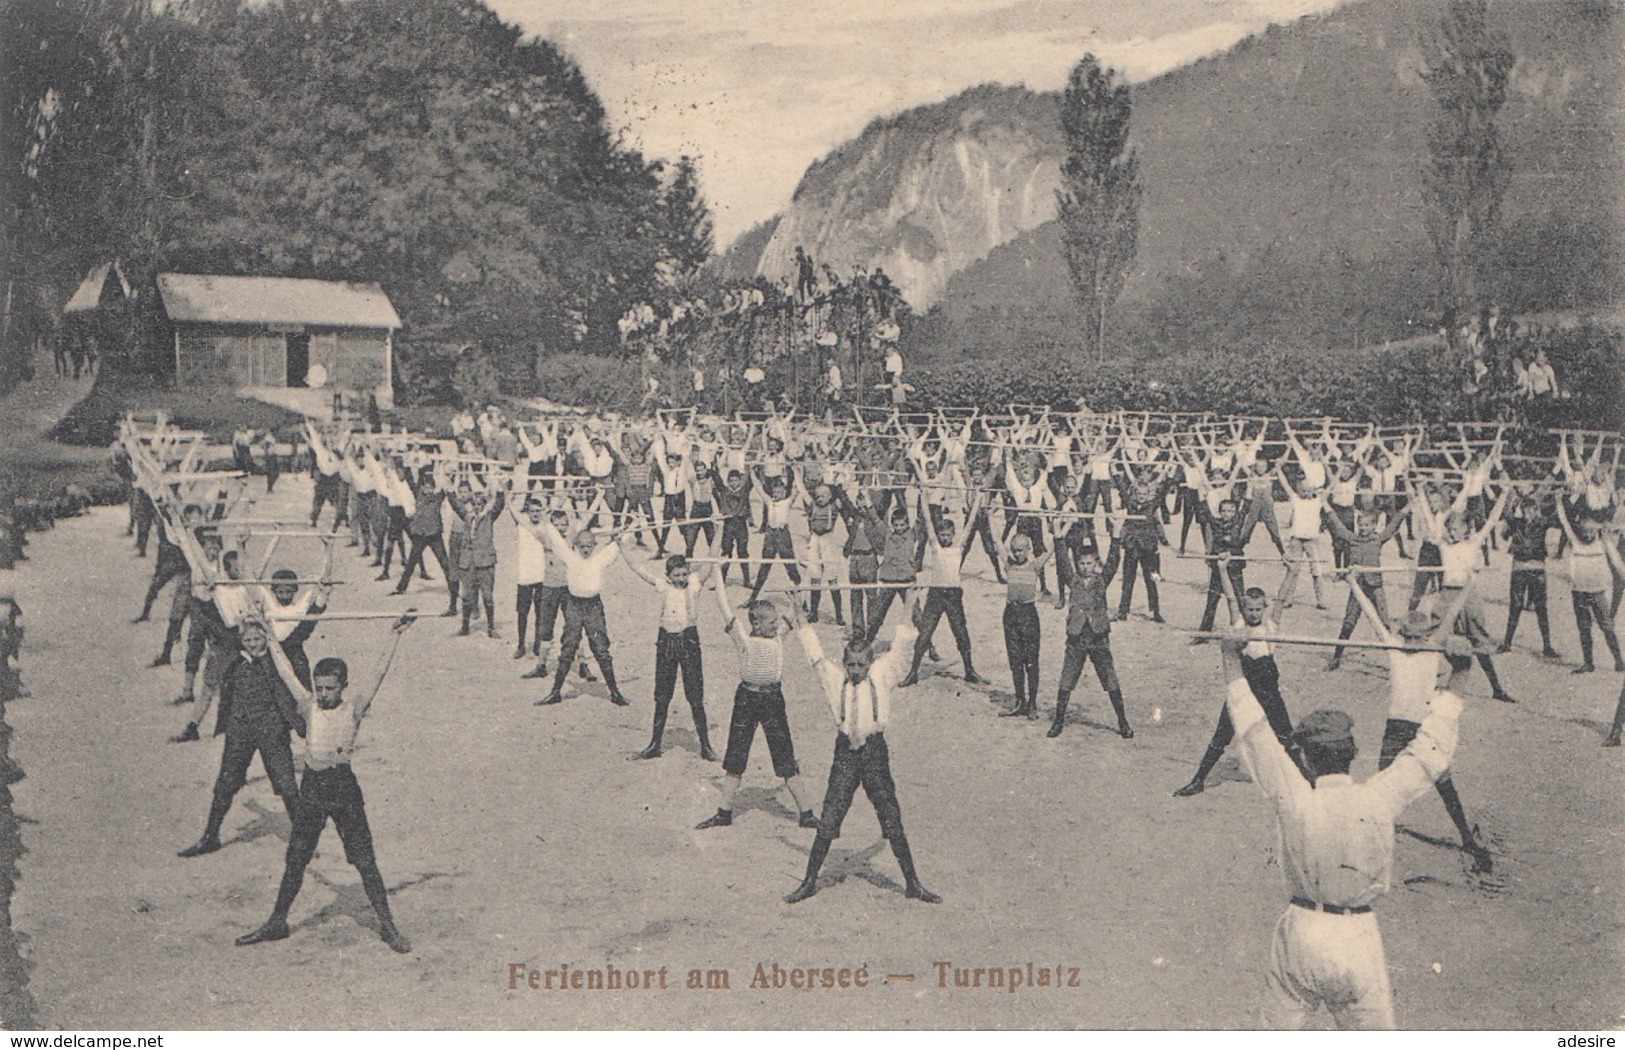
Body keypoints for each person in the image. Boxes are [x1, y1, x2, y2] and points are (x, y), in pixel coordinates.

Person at [1213, 628, 1466, 1029]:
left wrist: (1231, 658)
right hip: (1357, 936)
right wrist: (1460, 674)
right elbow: (1428, 752)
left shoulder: (1296, 795)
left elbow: (1255, 731)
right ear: (1351, 755)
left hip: (1302, 932)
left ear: (1308, 760)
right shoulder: (1378, 797)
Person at [235, 611, 416, 953]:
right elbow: (286, 670)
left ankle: (388, 926)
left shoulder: (355, 709)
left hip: (344, 788)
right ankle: (277, 922)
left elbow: (379, 672)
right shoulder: (307, 706)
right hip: (313, 788)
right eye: (319, 688)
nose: (323, 694)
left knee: (364, 860)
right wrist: (270, 635)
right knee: (297, 858)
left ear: (343, 687)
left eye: (330, 689)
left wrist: (395, 635)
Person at [785, 590, 940, 904]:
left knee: (890, 816)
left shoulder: (883, 675)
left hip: (874, 753)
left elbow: (901, 646)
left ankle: (912, 882)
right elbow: (814, 654)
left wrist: (908, 604)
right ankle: (810, 881)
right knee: (830, 816)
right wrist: (799, 616)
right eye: (851, 665)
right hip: (845, 754)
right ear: (844, 663)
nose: (855, 670)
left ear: (871, 662)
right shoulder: (834, 679)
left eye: (861, 664)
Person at [695, 575, 816, 831]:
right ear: (756, 624)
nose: (776, 626)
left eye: (776, 622)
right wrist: (717, 571)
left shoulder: (778, 639)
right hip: (747, 700)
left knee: (785, 755)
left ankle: (806, 814)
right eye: (771, 623)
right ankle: (724, 812)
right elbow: (724, 606)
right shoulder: (744, 640)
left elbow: (794, 617)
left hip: (773, 699)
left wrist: (796, 601)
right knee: (736, 755)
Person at [177, 619, 305, 858]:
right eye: (248, 640)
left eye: (257, 639)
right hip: (240, 731)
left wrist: (300, 726)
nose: (253, 644)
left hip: (271, 731)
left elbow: (290, 694)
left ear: (266, 639)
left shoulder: (278, 663)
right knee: (225, 783)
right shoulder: (235, 662)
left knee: (287, 783)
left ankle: (303, 840)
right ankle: (210, 836)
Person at [1175, 586, 1296, 797]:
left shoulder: (1270, 627)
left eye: (1258, 609)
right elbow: (1231, 598)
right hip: (1243, 690)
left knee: (1286, 736)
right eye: (1250, 609)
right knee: (1221, 737)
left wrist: (1292, 569)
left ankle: (1309, 781)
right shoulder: (1238, 626)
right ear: (1244, 609)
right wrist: (1222, 569)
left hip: (1268, 692)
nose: (1254, 613)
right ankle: (1198, 781)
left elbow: (1282, 598)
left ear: (1264, 609)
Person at [623, 554, 717, 761]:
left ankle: (705, 746)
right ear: (668, 576)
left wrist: (718, 526)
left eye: (684, 574)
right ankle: (654, 745)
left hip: (689, 641)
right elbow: (638, 568)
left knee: (695, 695)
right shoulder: (663, 586)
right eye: (677, 575)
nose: (681, 578)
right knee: (662, 695)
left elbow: (710, 561)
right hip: (666, 641)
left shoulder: (694, 585)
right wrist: (622, 546)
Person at [1050, 527, 1133, 740]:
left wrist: (1115, 536)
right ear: (1077, 564)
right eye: (1082, 563)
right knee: (1067, 679)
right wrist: (1059, 536)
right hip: (1076, 637)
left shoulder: (1101, 580)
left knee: (1110, 678)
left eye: (1089, 563)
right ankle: (1058, 722)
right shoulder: (1073, 580)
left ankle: (1123, 722)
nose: (1085, 567)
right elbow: (1062, 561)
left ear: (1096, 563)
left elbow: (1114, 563)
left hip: (1098, 637)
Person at [535, 518, 628, 706]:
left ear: (595, 545)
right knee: (568, 647)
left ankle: (615, 692)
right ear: (576, 545)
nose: (585, 550)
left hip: (593, 607)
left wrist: (629, 528)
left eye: (589, 546)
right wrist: (547, 518)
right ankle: (555, 692)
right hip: (574, 605)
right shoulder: (569, 557)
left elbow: (619, 543)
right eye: (582, 546)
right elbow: (555, 538)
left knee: (601, 648)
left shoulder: (600, 559)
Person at [898, 496, 987, 687]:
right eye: (942, 535)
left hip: (954, 595)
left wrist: (977, 500)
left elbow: (970, 524)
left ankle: (969, 670)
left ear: (953, 534)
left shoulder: (959, 549)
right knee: (925, 633)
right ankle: (913, 672)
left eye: (948, 535)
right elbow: (929, 524)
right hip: (936, 594)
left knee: (961, 632)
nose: (944, 538)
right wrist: (923, 498)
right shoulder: (935, 547)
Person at [994, 532, 1051, 719]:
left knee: (1031, 662)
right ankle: (1020, 701)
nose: (1017, 554)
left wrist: (1061, 526)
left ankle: (1032, 704)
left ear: (1029, 550)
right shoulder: (1009, 564)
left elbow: (1051, 549)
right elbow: (996, 541)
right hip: (1010, 614)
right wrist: (989, 515)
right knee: (1015, 660)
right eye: (1014, 550)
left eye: (1021, 550)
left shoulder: (1035, 565)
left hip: (1028, 614)